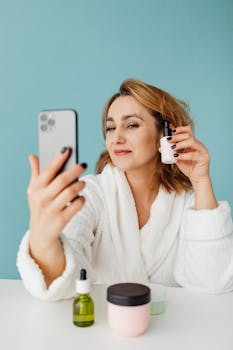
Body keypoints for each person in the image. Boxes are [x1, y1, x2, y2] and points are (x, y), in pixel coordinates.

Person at [17, 78, 233, 301]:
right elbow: (63, 276)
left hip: (170, 330)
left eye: (131, 125)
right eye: (110, 128)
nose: (116, 138)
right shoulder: (92, 194)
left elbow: (213, 282)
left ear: (164, 135)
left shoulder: (187, 204)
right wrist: (44, 239)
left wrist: (201, 181)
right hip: (103, 326)